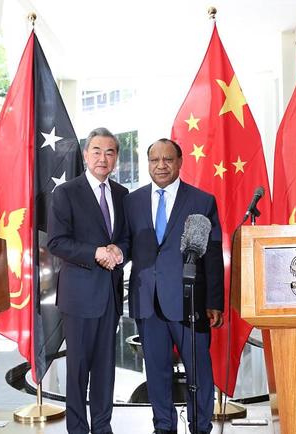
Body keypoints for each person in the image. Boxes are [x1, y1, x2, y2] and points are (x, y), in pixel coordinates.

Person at [120, 138, 224, 434]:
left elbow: (213, 253)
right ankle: (163, 426)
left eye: (167, 159)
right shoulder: (132, 201)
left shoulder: (202, 200)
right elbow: (127, 245)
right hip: (146, 300)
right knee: (156, 370)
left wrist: (214, 301)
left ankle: (200, 425)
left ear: (180, 163)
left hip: (189, 299)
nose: (161, 165)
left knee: (199, 370)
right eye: (155, 160)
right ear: (148, 164)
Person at [47, 127, 128, 434]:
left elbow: (127, 239)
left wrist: (119, 251)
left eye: (109, 152)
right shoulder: (66, 193)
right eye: (96, 151)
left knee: (105, 371)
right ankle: (78, 429)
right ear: (85, 155)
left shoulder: (122, 195)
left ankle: (103, 427)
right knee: (78, 370)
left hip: (110, 296)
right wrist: (95, 252)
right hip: (79, 298)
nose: (102, 158)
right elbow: (57, 242)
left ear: (116, 158)